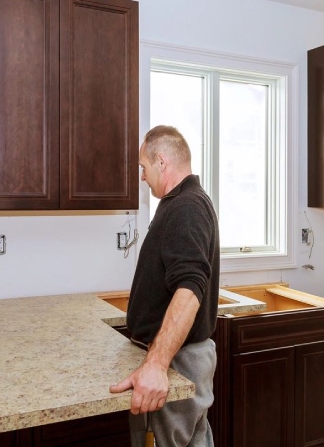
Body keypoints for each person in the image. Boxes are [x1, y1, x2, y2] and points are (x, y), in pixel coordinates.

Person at [110, 125, 220, 447]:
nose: (142, 177)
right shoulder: (181, 203)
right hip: (180, 356)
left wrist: (157, 365)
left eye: (143, 167)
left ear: (161, 161)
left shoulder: (186, 207)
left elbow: (189, 286)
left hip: (178, 359)